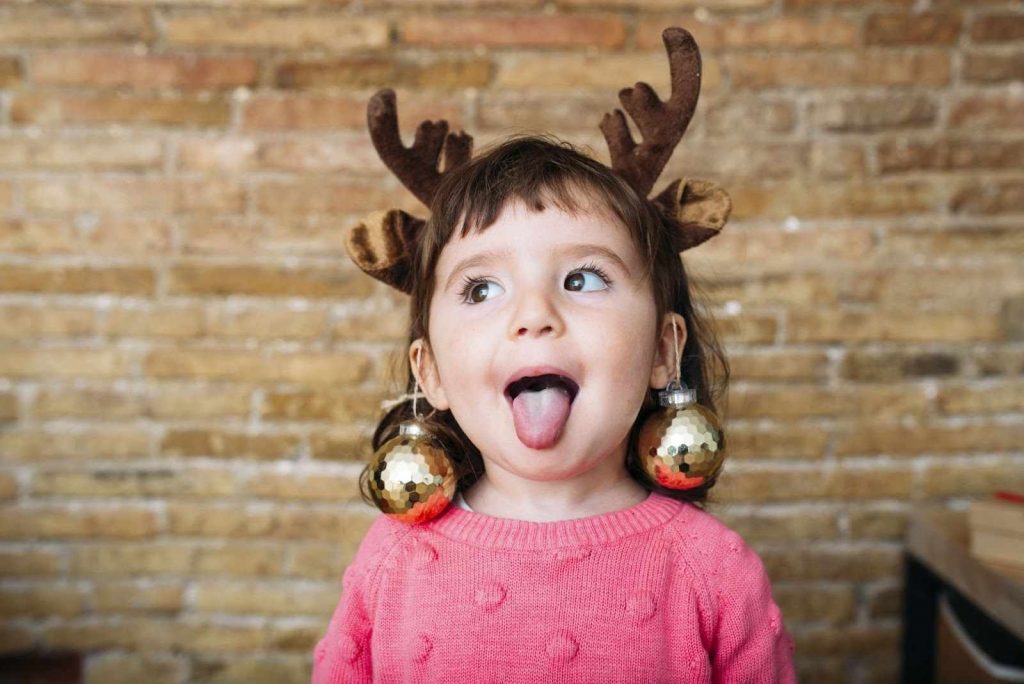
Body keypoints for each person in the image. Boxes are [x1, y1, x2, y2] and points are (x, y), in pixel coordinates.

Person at [313, 27, 797, 683]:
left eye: (583, 279)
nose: (534, 315)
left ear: (663, 349)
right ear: (429, 374)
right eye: (482, 288)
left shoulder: (713, 568)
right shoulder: (390, 561)